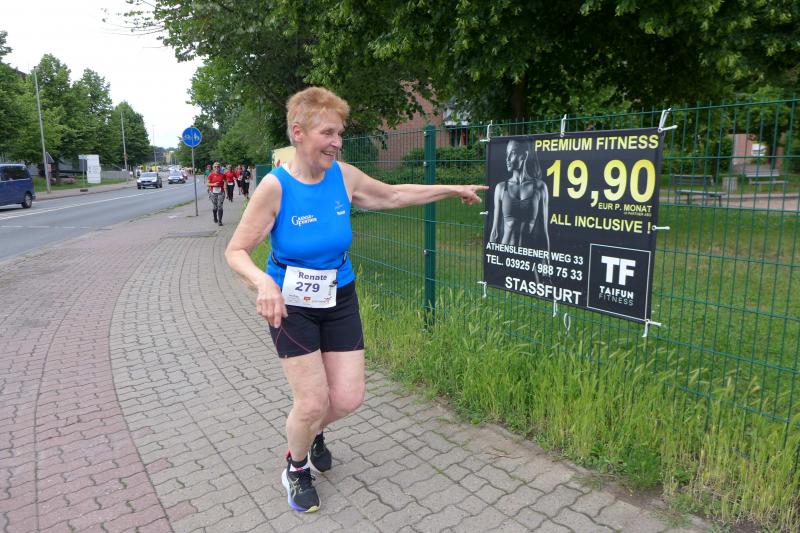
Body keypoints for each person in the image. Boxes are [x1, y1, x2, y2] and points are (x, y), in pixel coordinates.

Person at [224, 87, 486, 514]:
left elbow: (394, 195)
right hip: (291, 301)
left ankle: (310, 431)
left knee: (347, 398)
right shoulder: (275, 187)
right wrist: (262, 282)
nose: (337, 142)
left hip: (339, 294)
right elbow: (236, 251)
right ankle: (296, 466)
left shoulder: (343, 176)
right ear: (298, 133)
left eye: (339, 133)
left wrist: (451, 188)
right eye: (328, 133)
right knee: (312, 401)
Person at [489, 139, 551, 277]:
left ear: (524, 155)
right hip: (505, 254)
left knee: (533, 289)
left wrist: (546, 265)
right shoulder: (501, 188)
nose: (507, 159)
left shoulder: (540, 187)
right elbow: (495, 232)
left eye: (512, 153)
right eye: (506, 154)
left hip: (528, 257)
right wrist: (490, 263)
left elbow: (543, 231)